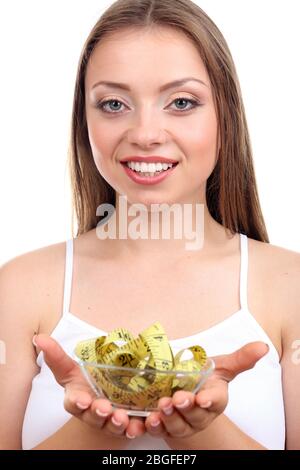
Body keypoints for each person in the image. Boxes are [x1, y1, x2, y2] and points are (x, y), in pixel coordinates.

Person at [0, 0, 299, 451]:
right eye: (114, 103)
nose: (145, 133)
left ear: (226, 115)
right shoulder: (20, 288)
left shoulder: (289, 287)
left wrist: (204, 428)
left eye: (181, 102)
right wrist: (92, 426)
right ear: (85, 119)